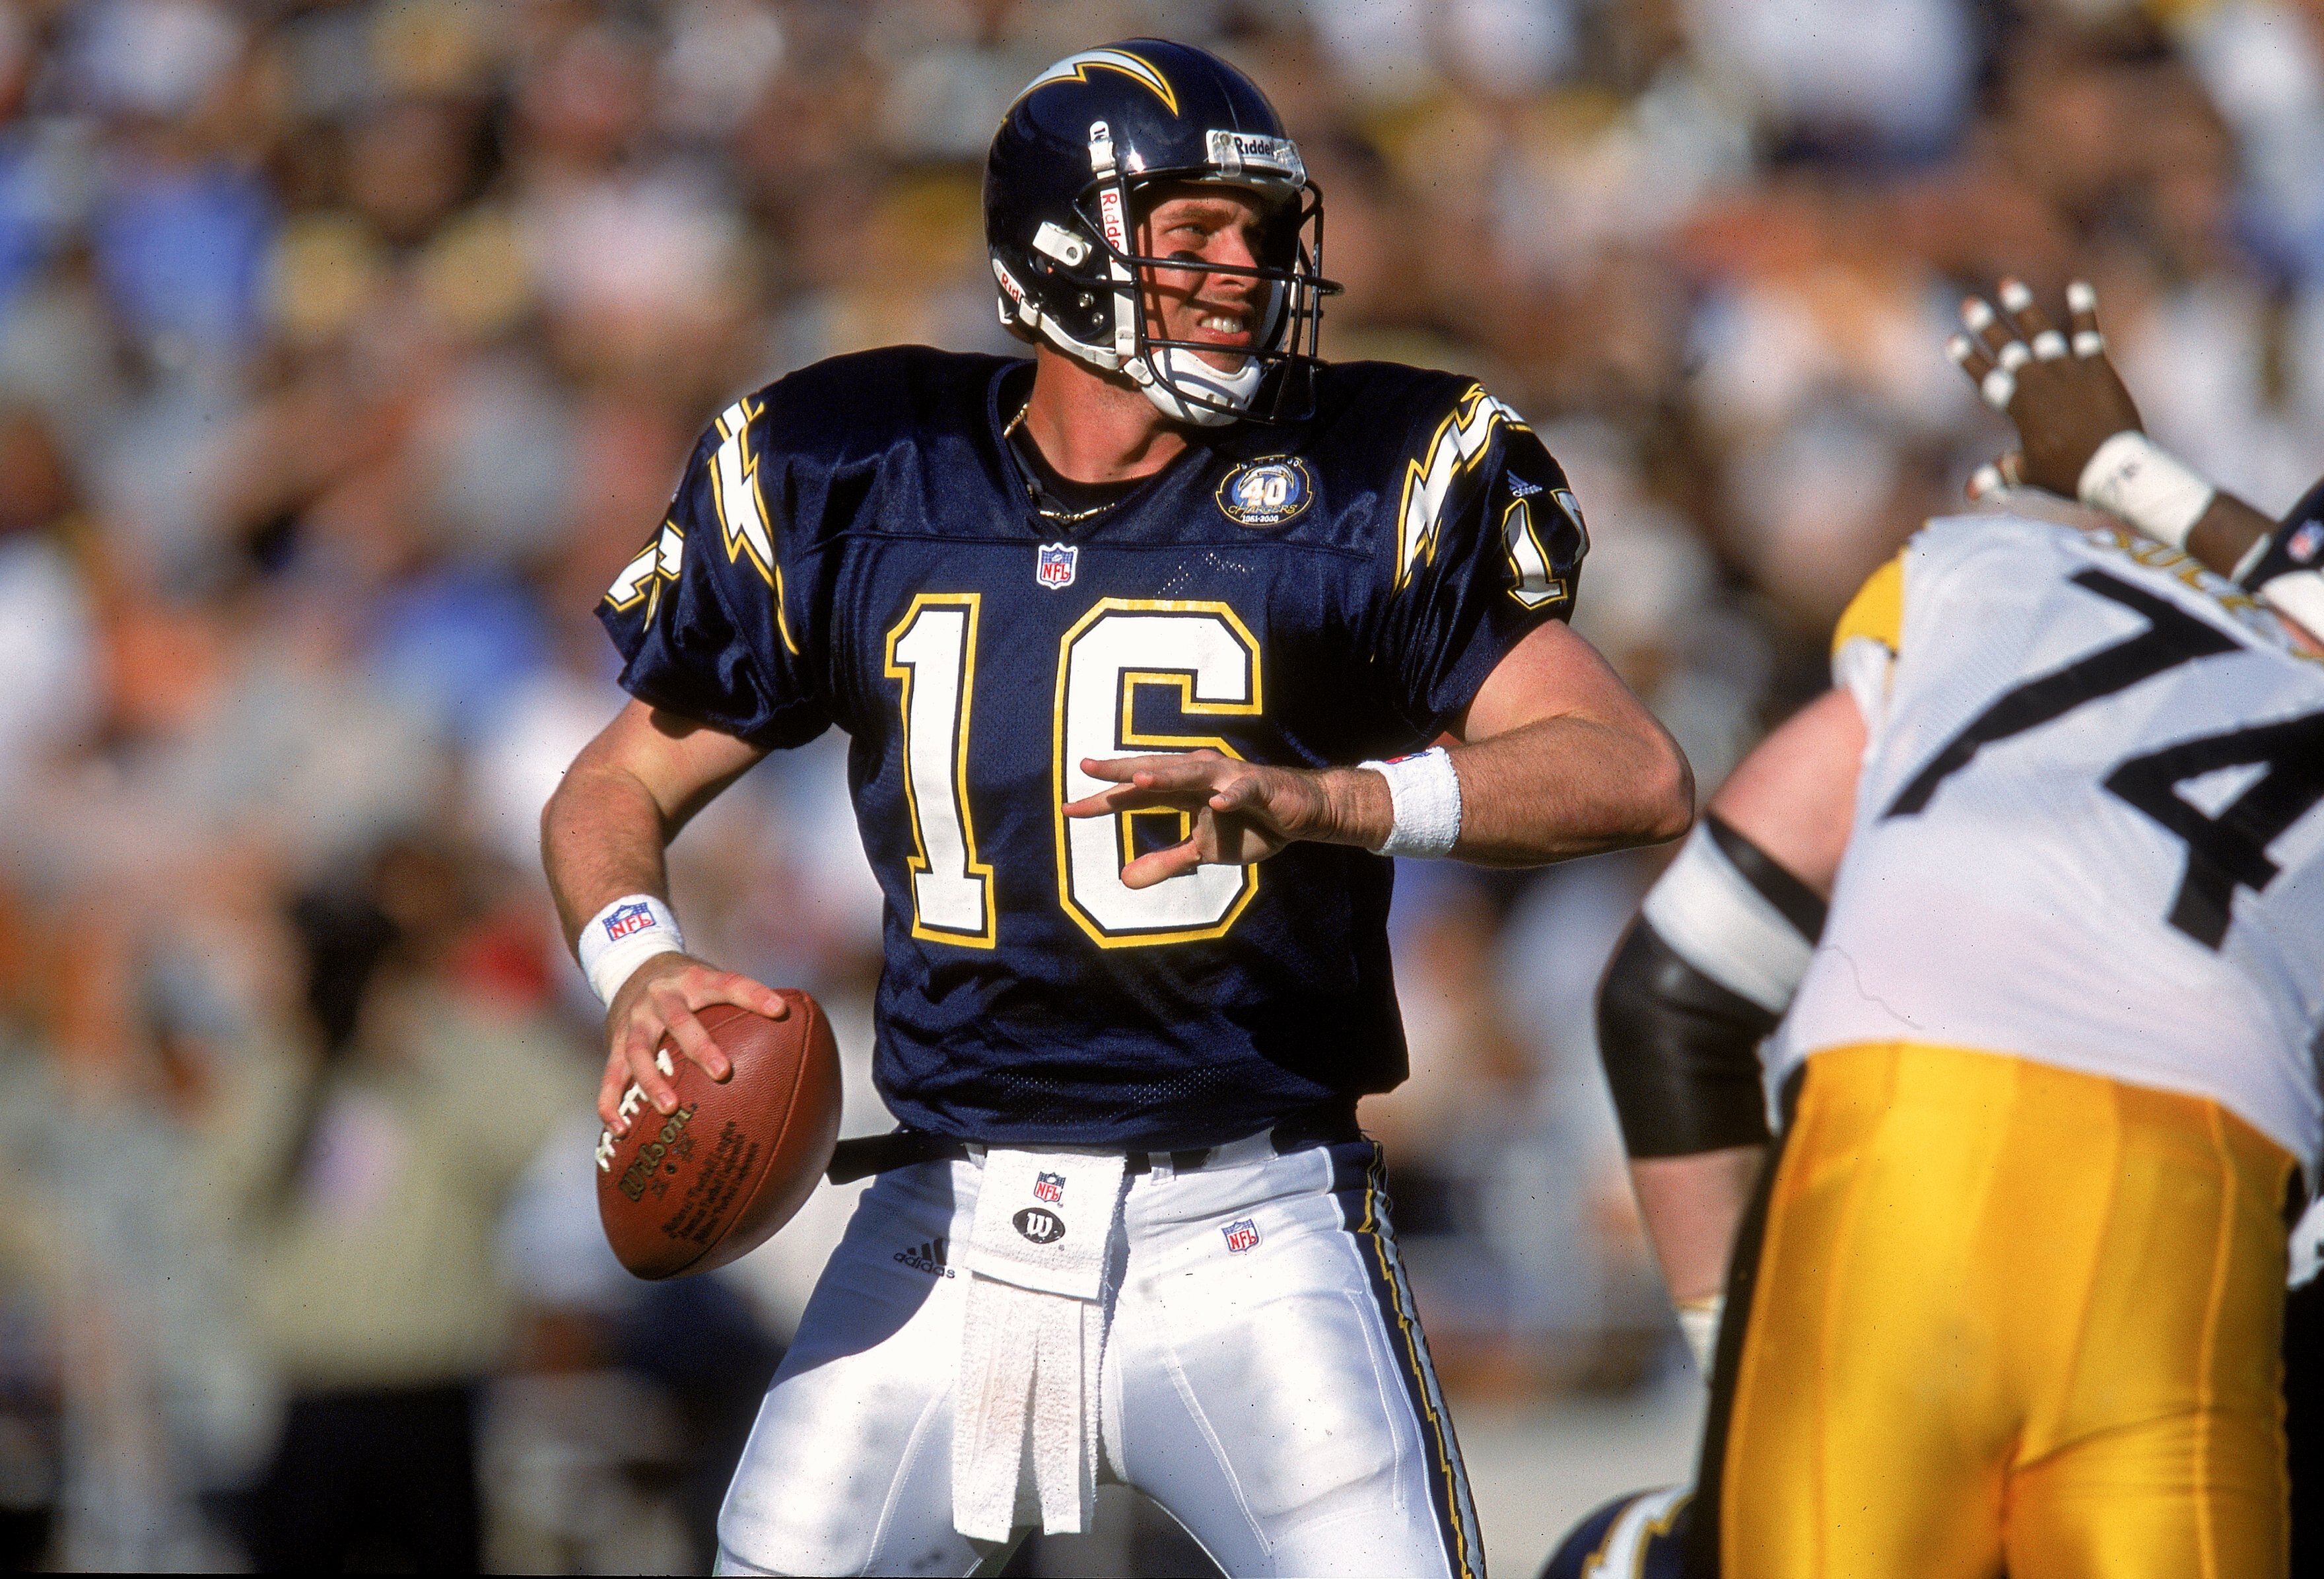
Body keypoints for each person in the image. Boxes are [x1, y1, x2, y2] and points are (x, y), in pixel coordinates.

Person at [539, 39, 1692, 1579]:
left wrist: (1339, 798)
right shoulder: (861, 468)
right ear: (1060, 249)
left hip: (1249, 1224)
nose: (1245, 268)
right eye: (1197, 229)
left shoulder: (1358, 475)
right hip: (936, 1216)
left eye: (1264, 232)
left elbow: (1629, 765)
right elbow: (611, 781)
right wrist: (641, 963)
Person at [1593, 277, 2324, 1576]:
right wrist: (2128, 469)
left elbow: (1673, 985)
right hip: (2194, 1214)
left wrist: (1735, 1380)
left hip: (1902, 1155)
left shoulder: (1989, 566)